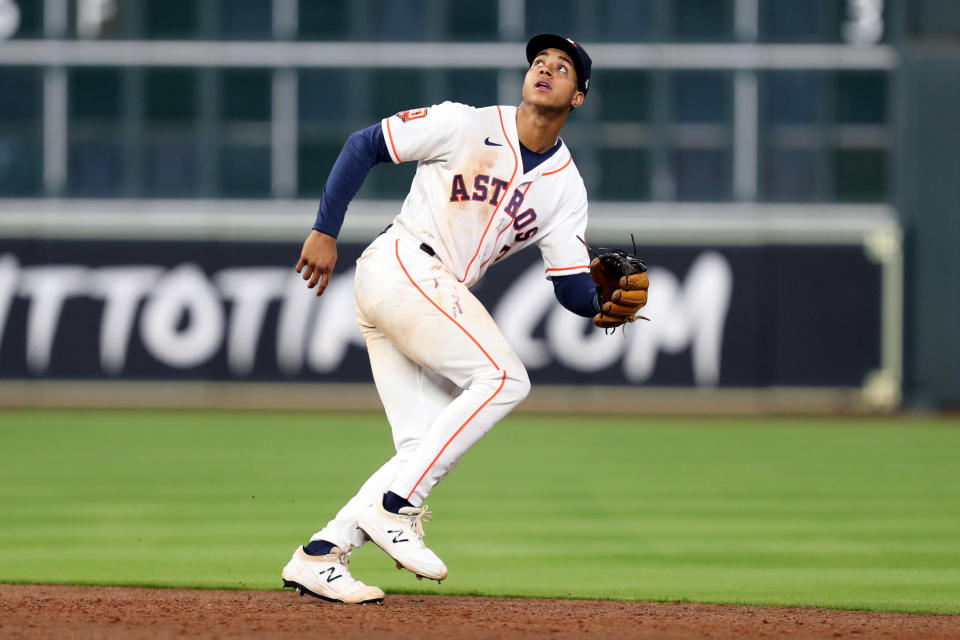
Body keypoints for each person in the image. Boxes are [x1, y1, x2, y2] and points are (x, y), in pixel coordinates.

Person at [282, 34, 608, 604]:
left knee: (422, 445)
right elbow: (366, 144)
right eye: (539, 61)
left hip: (423, 292)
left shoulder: (566, 189)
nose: (545, 70)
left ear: (577, 97)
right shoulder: (467, 123)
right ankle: (397, 507)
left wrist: (604, 299)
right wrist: (325, 229)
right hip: (405, 262)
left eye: (561, 68)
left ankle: (322, 554)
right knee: (505, 379)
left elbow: (571, 288)